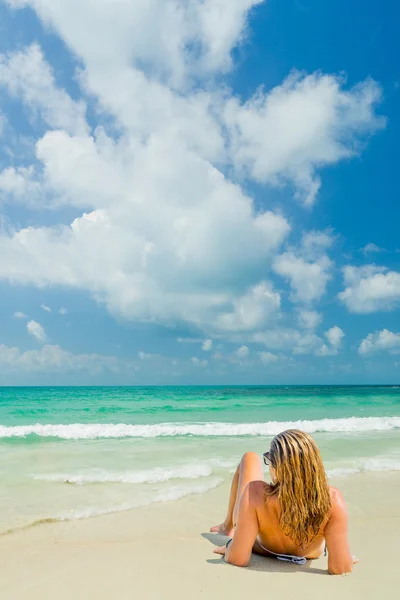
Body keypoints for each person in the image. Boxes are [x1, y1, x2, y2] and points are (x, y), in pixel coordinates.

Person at [210, 429, 358, 575]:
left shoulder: (255, 493)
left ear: (278, 467)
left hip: (264, 550)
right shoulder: (332, 499)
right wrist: (343, 557)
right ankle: (228, 526)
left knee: (250, 458)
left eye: (269, 459)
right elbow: (340, 569)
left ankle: (227, 526)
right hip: (308, 554)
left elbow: (238, 559)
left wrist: (231, 546)